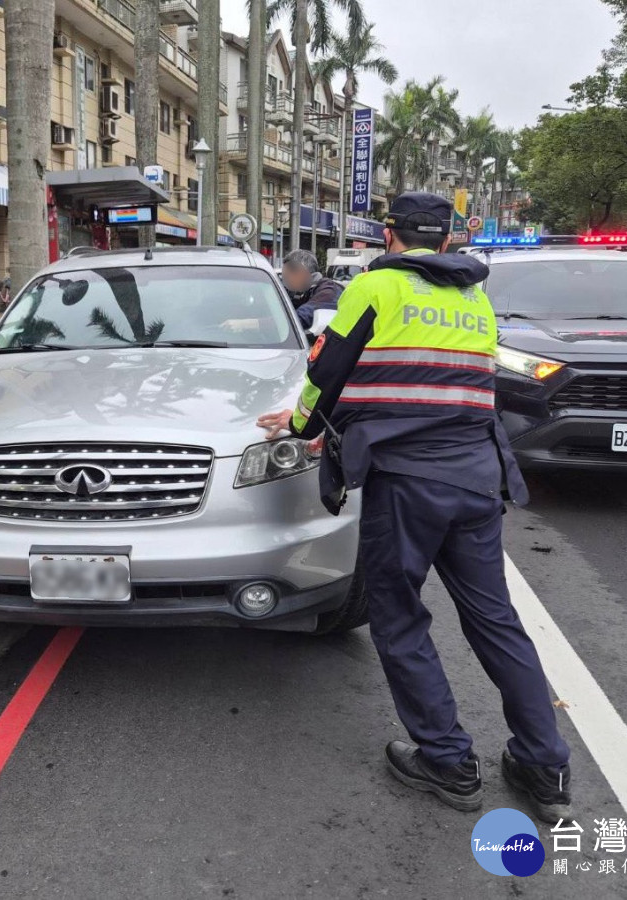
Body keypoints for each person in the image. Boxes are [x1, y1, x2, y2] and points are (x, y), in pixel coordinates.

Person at [257, 192, 573, 823]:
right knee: (495, 620)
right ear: (450, 240)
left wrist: (300, 423)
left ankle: (448, 761)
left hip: (408, 482)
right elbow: (430, 381)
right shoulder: (472, 299)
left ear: (390, 235)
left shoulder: (374, 289)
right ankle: (546, 765)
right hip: (478, 478)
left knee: (400, 616)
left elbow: (331, 369)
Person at [281, 249, 344, 329]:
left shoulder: (328, 291)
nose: (286, 282)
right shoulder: (303, 291)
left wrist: (262, 324)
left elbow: (301, 318)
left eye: (287, 277)